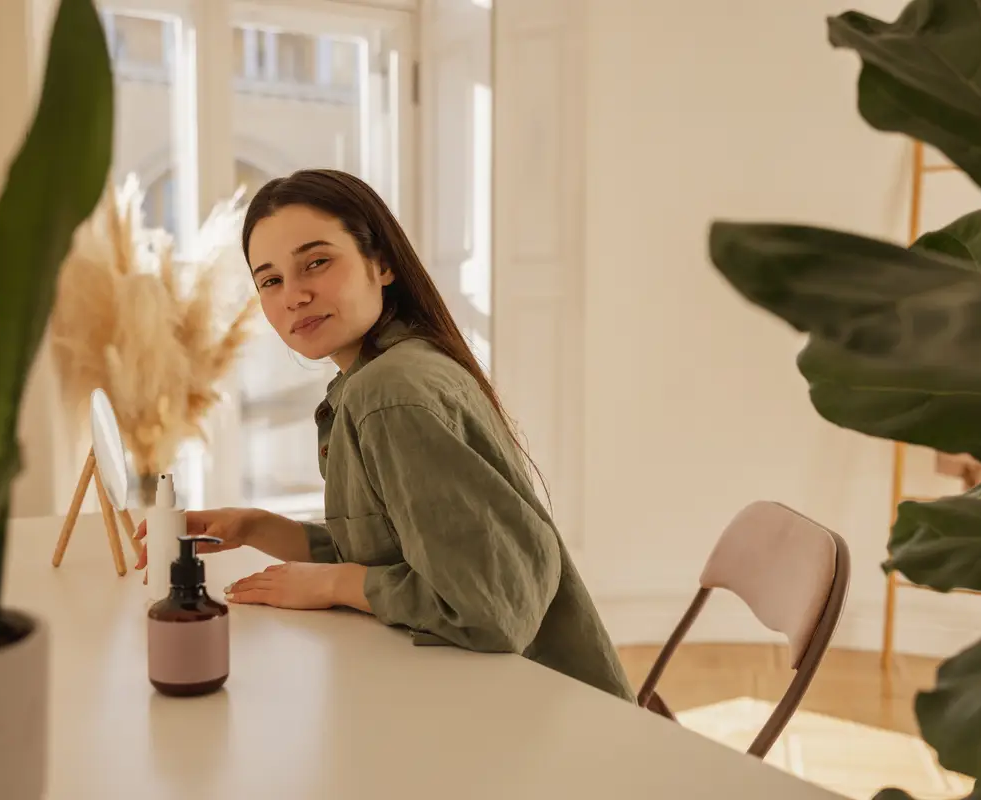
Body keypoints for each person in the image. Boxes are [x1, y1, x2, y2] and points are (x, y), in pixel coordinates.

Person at [135, 168, 636, 703]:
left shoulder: (390, 392)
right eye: (271, 280)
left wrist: (330, 585)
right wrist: (256, 525)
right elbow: (397, 547)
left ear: (382, 263)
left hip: (543, 720)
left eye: (317, 263)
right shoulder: (374, 377)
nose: (295, 296)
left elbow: (490, 607)